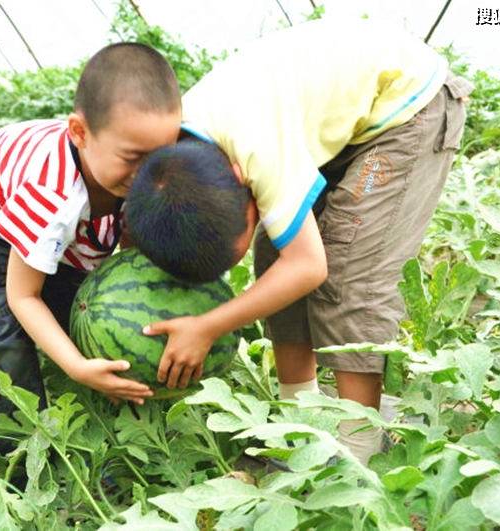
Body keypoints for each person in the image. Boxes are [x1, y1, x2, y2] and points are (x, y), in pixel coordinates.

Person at [125, 17, 473, 464]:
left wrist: (210, 324)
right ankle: (301, 412)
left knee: (350, 274)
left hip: (407, 106)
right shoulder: (170, 164)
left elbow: (310, 267)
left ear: (239, 177)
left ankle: (359, 446)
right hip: (326, 106)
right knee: (275, 261)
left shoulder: (257, 152)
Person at [0, 43, 181, 453]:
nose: (148, 174)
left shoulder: (133, 171)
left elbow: (132, 255)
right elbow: (22, 296)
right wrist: (77, 367)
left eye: (160, 157)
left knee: (80, 312)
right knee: (2, 348)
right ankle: (17, 460)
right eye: (133, 157)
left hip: (39, 210)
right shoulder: (51, 195)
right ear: (79, 133)